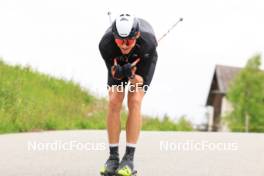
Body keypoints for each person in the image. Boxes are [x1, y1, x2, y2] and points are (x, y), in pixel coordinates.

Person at [99, 13, 158, 176]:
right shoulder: (106, 45)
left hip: (142, 60)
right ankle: (113, 158)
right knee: (114, 100)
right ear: (114, 37)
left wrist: (131, 75)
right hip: (117, 59)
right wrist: (118, 72)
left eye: (129, 41)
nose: (124, 46)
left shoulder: (148, 44)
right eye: (120, 41)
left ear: (137, 36)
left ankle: (129, 159)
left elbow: (138, 82)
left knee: (135, 100)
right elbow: (113, 71)